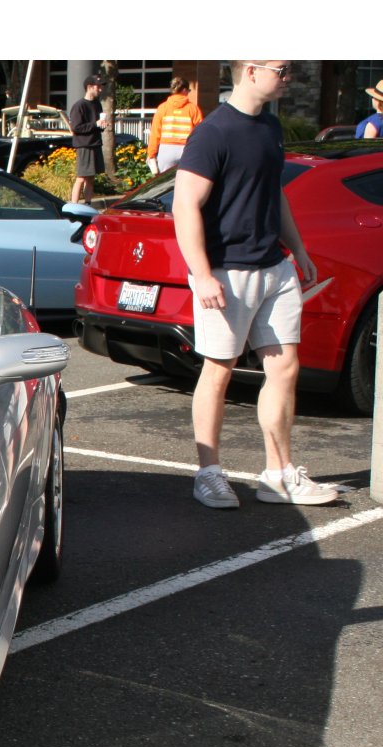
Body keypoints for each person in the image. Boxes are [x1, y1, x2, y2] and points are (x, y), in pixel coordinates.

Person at [173, 60, 337, 509]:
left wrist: (297, 249)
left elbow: (273, 192)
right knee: (218, 371)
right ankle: (208, 474)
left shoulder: (270, 126)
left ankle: (278, 475)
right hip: (228, 272)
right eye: (281, 70)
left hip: (274, 267)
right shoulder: (213, 133)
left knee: (285, 368)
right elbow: (185, 204)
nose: (289, 78)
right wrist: (202, 274)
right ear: (250, 71)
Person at [148, 77, 204, 174]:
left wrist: (151, 154)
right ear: (184, 90)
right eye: (189, 91)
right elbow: (200, 133)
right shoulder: (193, 109)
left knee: (165, 181)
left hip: (166, 151)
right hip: (187, 150)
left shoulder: (162, 108)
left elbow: (155, 133)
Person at [68, 74, 109, 204]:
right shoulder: (79, 106)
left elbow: (96, 126)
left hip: (95, 143)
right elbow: (76, 127)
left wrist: (102, 125)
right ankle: (74, 206)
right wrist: (95, 124)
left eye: (101, 86)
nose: (100, 89)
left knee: (91, 178)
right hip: (84, 145)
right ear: (89, 87)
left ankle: (87, 204)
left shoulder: (97, 104)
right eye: (98, 86)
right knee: (81, 177)